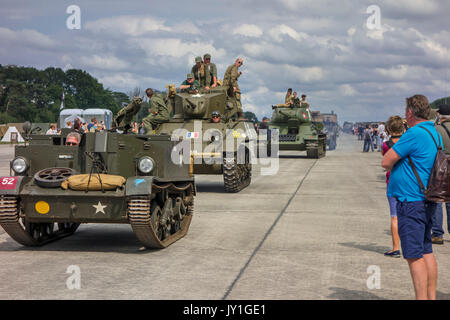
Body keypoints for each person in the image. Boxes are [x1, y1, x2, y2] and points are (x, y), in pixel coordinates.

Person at [382, 94, 443, 300]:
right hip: (426, 200)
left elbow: (386, 161)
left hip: (411, 201)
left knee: (413, 256)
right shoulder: (434, 132)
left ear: (410, 112)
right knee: (426, 251)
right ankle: (430, 297)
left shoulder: (414, 133)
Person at [381, 116, 405, 257]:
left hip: (393, 182)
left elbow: (386, 161)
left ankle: (396, 248)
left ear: (388, 129)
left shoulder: (385, 145)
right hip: (409, 183)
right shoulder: (408, 142)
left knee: (394, 217)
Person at [431, 104, 450, 245]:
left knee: (438, 200)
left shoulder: (436, 130)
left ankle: (437, 234)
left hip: (440, 166)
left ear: (440, 116)